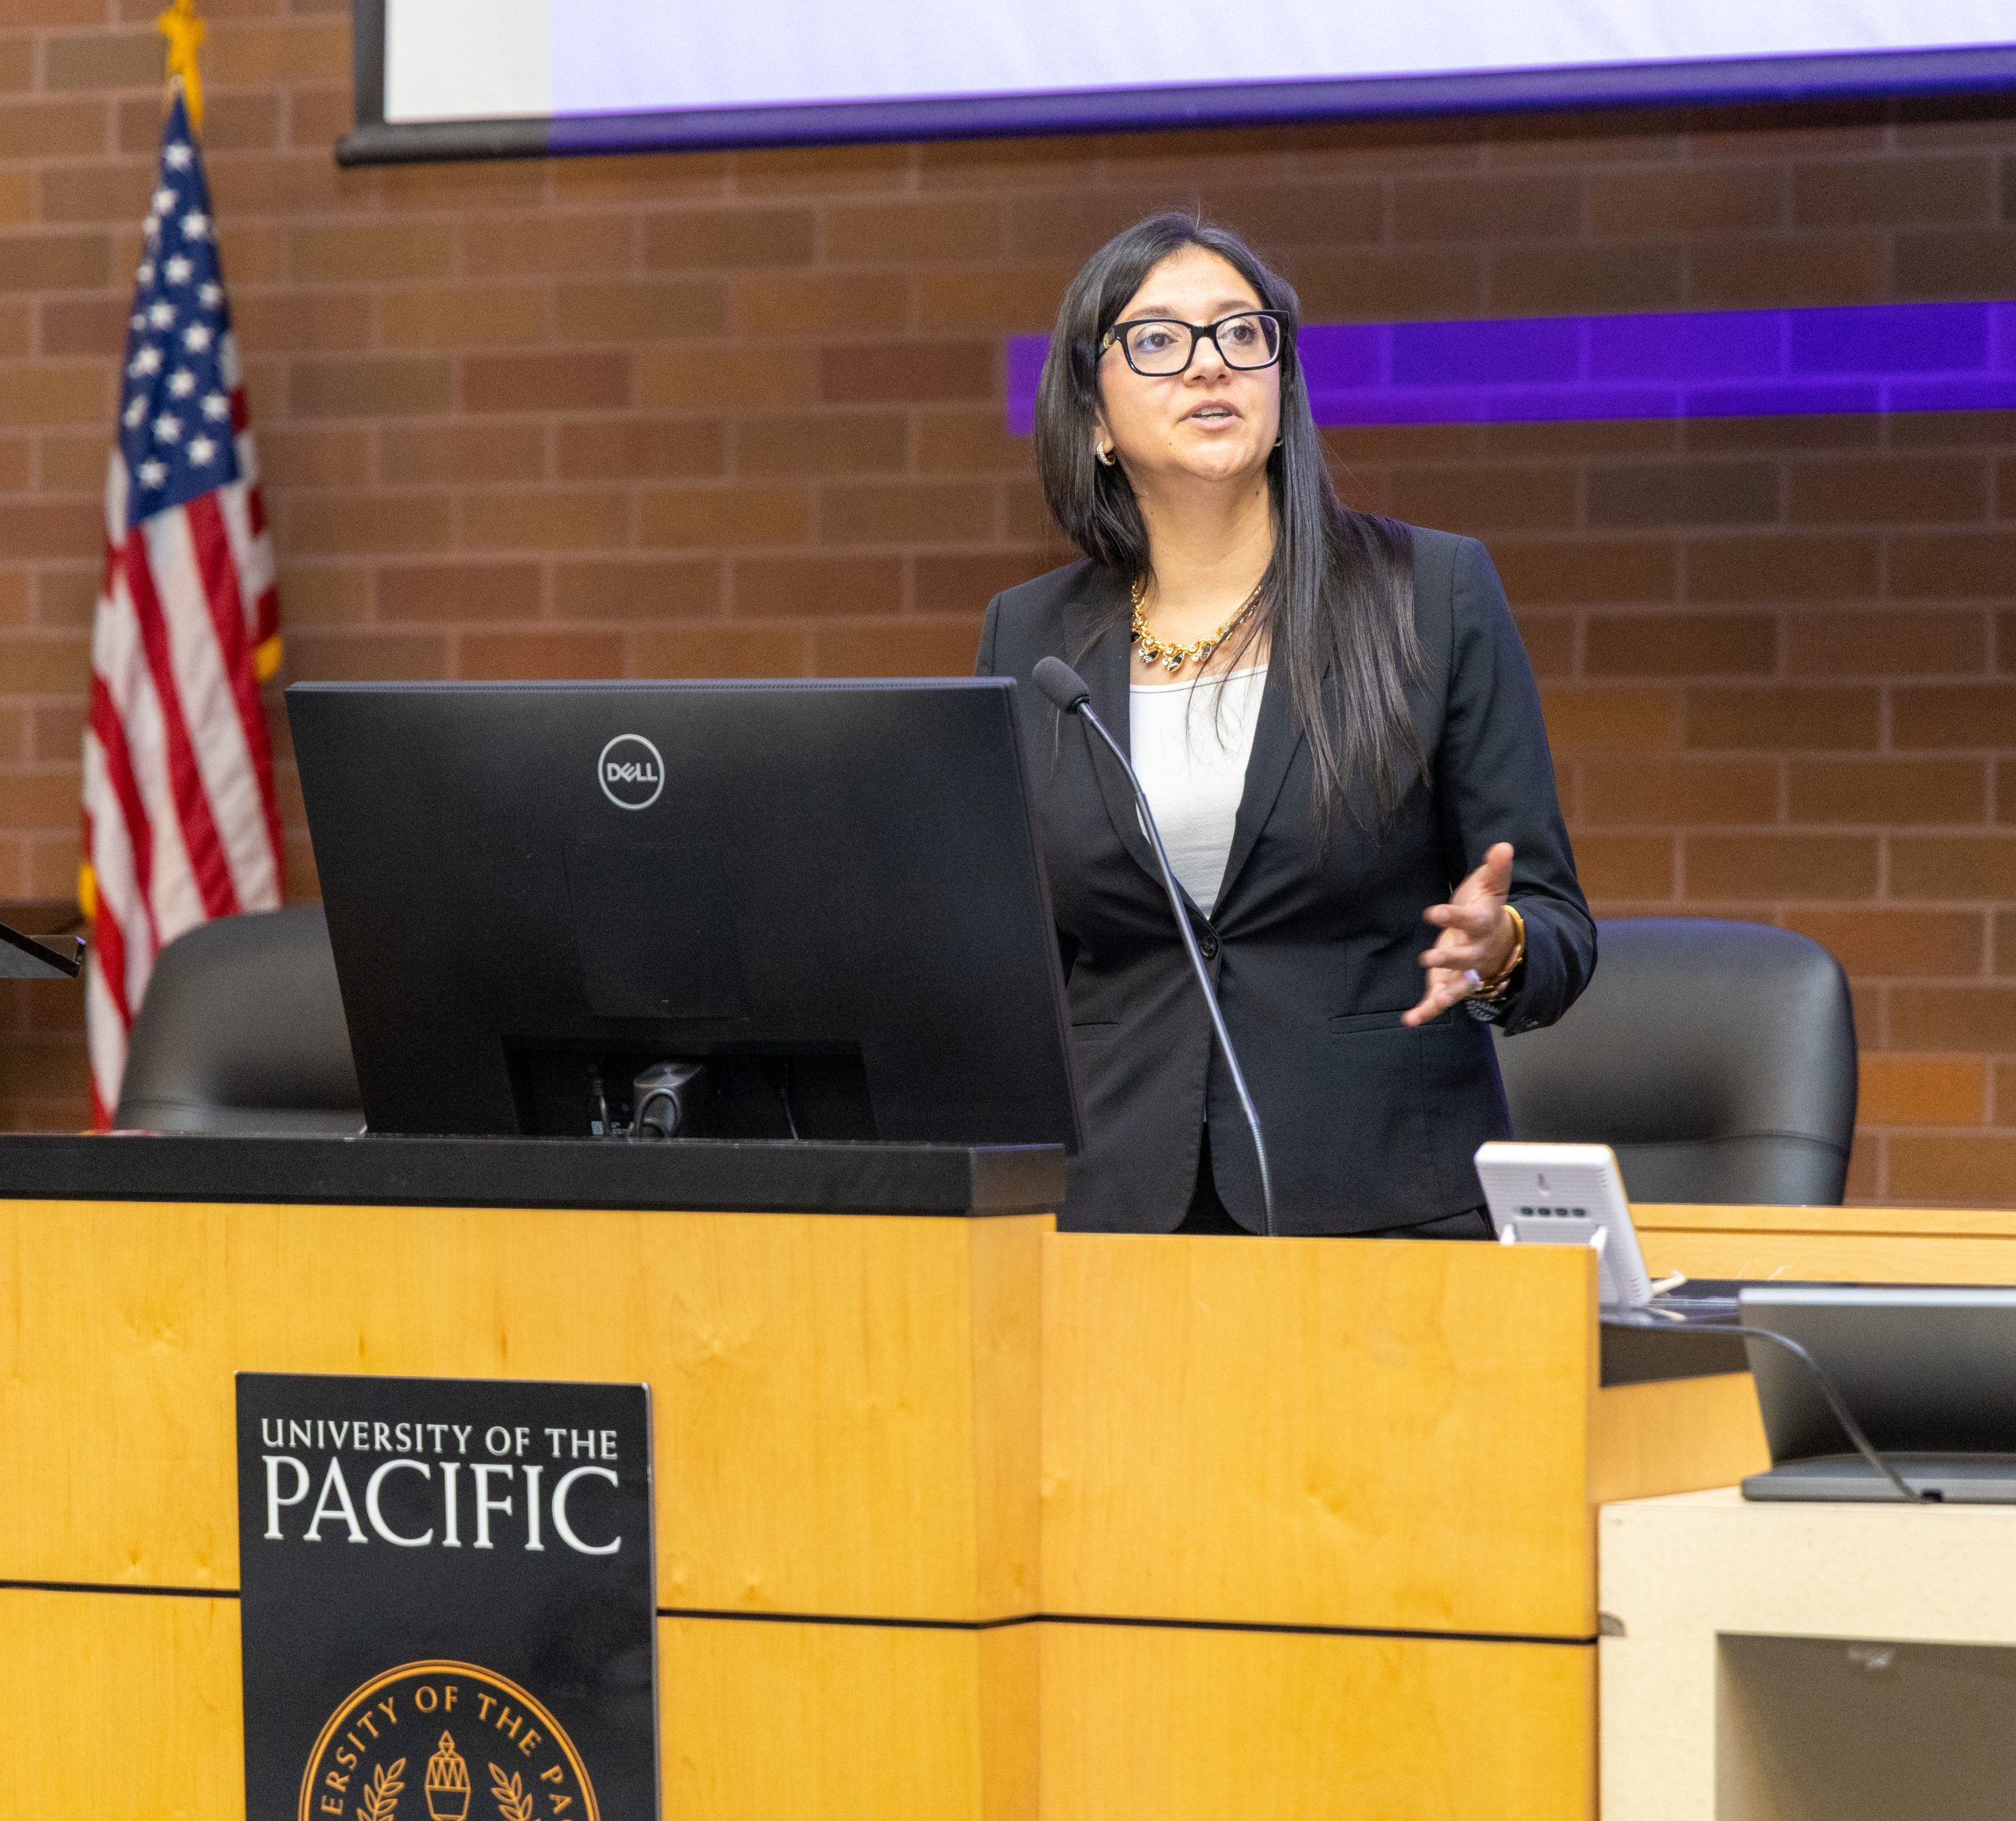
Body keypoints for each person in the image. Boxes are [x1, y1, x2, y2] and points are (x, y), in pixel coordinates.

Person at [975, 213, 1595, 1237]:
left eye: (1240, 334)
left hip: (1379, 1199)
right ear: (1091, 417)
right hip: (1116, 1205)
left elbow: (1554, 920)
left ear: (1282, 385)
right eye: (1160, 340)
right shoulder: (1031, 636)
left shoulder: (1428, 594)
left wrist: (1502, 945)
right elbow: (1011, 955)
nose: (1209, 366)